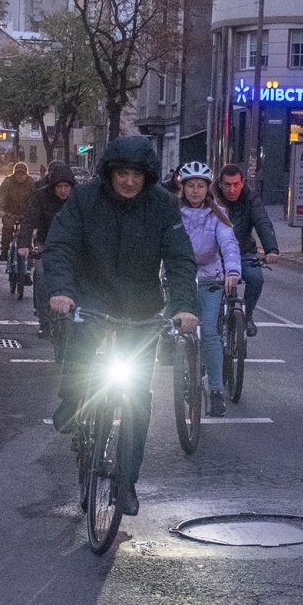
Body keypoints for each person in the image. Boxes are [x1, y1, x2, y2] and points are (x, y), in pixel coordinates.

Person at [43, 136, 198, 516]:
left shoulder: (163, 205)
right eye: (122, 173)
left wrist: (183, 307)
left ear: (148, 177)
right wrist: (62, 290)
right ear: (110, 173)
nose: (129, 182)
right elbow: (60, 245)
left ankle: (126, 481)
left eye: (137, 175)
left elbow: (180, 258)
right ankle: (73, 399)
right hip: (91, 293)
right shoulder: (85, 199)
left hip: (142, 304)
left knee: (136, 399)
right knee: (80, 338)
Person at [176, 162, 242, 417]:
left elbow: (229, 244)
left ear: (207, 189)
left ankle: (215, 392)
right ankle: (179, 366)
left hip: (210, 279)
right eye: (190, 186)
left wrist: (233, 271)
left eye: (200, 186)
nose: (195, 191)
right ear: (183, 188)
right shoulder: (174, 213)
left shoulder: (218, 214)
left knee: (211, 334)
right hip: (179, 278)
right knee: (174, 328)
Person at [215, 164, 280, 337]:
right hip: (216, 255)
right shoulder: (211, 196)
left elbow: (262, 222)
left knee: (256, 278)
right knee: (212, 286)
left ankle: (247, 315)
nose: (232, 189)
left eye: (236, 184)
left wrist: (271, 249)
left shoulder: (251, 197)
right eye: (227, 184)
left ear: (243, 183)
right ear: (220, 184)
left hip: (243, 251)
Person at [20, 161, 77, 338]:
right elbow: (29, 220)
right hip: (47, 243)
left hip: (73, 246)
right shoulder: (41, 197)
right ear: (52, 186)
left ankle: (81, 320)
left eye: (66, 186)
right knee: (42, 276)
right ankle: (45, 322)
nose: (63, 191)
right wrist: (24, 244)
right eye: (59, 186)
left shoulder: (79, 199)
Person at [0, 162, 35, 261]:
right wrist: (0, 209)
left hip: (25, 213)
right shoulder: (8, 181)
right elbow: (1, 195)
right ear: (14, 174)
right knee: (7, 228)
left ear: (26, 174)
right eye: (18, 174)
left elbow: (35, 198)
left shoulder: (31, 183)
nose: (20, 176)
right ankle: (4, 250)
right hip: (10, 212)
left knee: (27, 232)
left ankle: (28, 261)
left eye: (23, 174)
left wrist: (33, 212)